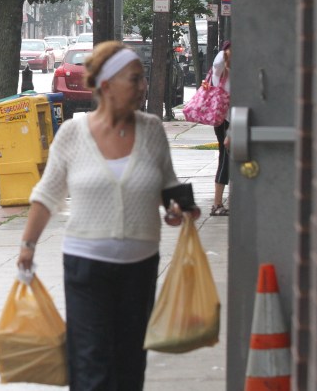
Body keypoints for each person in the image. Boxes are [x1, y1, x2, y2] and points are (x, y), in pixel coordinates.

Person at [17, 41, 199, 390]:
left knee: (130, 363)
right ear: (106, 84)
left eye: (142, 78)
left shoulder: (152, 131)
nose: (142, 86)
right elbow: (46, 194)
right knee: (91, 363)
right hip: (87, 266)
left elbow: (168, 184)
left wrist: (177, 208)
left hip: (140, 266)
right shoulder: (73, 133)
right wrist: (28, 245)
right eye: (134, 79)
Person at [210, 40, 232, 216]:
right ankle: (217, 203)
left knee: (229, 160)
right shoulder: (221, 68)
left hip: (231, 120)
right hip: (226, 121)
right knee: (225, 160)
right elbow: (217, 61)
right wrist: (226, 52)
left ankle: (219, 203)